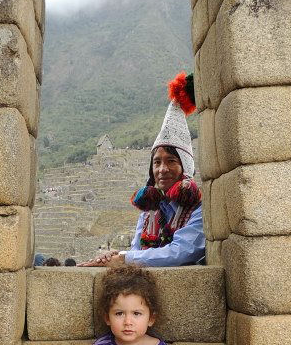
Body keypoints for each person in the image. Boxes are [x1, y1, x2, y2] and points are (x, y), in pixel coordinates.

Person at [78, 71, 205, 267]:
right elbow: (138, 252)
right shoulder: (149, 212)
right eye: (157, 162)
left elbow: (183, 251)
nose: (162, 169)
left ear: (185, 166)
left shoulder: (198, 208)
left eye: (171, 161)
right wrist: (117, 255)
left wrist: (124, 257)